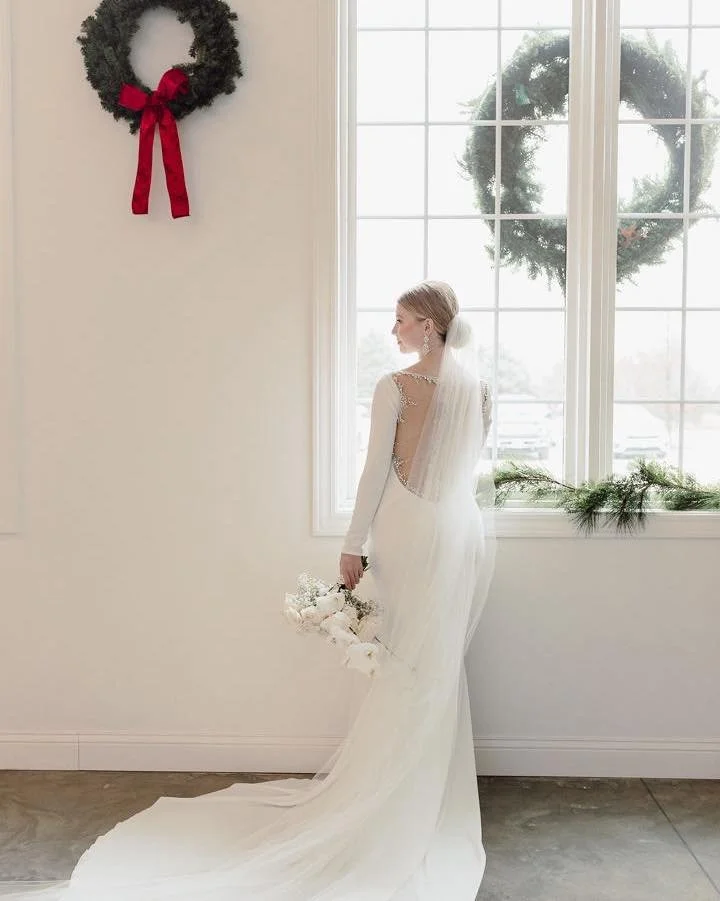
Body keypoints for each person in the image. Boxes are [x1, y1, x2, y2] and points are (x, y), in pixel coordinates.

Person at [5, 281, 496, 901]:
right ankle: (422, 801)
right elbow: (463, 472)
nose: (393, 329)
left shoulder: (395, 387)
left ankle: (384, 798)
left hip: (402, 529)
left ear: (428, 325)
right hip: (452, 535)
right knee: (433, 665)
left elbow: (376, 469)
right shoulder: (477, 389)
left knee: (397, 662)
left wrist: (352, 542)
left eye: (400, 319)